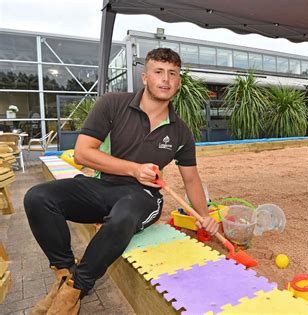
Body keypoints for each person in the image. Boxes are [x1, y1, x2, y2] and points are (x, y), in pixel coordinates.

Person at [24, 48, 220, 315]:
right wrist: (133, 169)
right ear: (145, 77)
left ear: (178, 81)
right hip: (103, 186)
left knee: (124, 214)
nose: (165, 79)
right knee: (38, 198)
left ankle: (74, 290)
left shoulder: (180, 131)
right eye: (158, 72)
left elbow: (191, 179)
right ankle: (64, 272)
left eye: (172, 73)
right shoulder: (113, 104)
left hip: (144, 197)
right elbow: (83, 153)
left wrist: (204, 215)